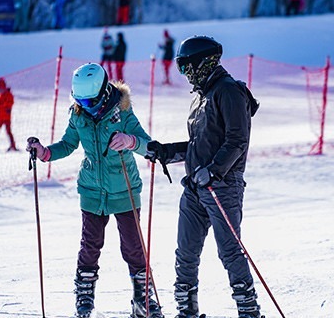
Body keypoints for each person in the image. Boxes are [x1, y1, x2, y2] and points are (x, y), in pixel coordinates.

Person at [25, 63, 163, 318]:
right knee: (90, 245)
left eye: (91, 102)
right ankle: (85, 297)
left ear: (103, 92)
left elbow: (148, 145)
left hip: (124, 189)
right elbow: (67, 144)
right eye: (82, 101)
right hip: (92, 190)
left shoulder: (123, 113)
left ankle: (143, 298)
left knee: (133, 247)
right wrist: (45, 153)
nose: (87, 107)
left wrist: (130, 141)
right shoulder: (78, 114)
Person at [145, 36, 261, 318]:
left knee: (230, 252)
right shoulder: (201, 95)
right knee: (185, 252)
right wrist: (166, 152)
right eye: (180, 68)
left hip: (222, 186)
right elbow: (198, 146)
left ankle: (249, 311)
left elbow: (237, 141)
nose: (184, 74)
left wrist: (214, 171)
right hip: (196, 186)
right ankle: (187, 310)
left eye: (186, 67)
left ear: (202, 62)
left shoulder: (228, 92)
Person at [0, 77, 17, 152]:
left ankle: (13, 145)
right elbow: (0, 104)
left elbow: (8, 104)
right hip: (0, 117)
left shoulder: (8, 95)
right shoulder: (0, 95)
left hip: (6, 118)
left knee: (8, 131)